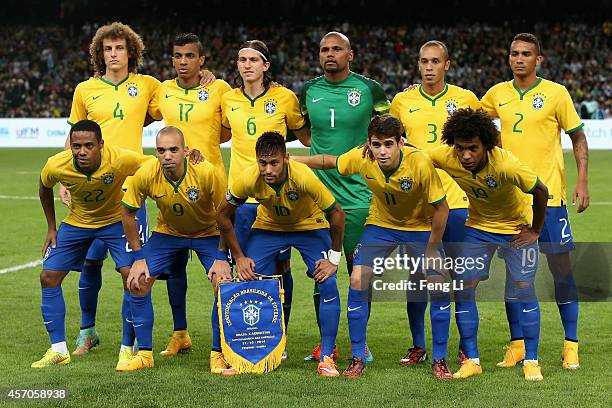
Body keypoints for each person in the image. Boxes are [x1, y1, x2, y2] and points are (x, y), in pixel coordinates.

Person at [293, 114, 451, 379]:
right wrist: (292, 160)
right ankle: (357, 358)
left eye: (388, 144)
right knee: (357, 279)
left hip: (420, 227)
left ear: (401, 142)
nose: (382, 151)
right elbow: (328, 161)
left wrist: (433, 248)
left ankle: (440, 360)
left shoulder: (419, 162)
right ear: (368, 144)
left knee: (438, 282)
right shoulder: (362, 157)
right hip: (381, 225)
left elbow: (442, 209)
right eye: (376, 145)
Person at [481, 33, 589, 370]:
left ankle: (570, 343)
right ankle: (517, 345)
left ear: (538, 60)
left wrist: (582, 179)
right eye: (514, 53)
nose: (519, 59)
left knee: (562, 273)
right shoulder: (498, 94)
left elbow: (578, 137)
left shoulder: (556, 93)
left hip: (551, 198)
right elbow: (464, 111)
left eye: (527, 54)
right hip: (512, 203)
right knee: (515, 278)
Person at [427, 108, 549, 381]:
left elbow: (541, 191)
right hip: (478, 230)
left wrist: (536, 230)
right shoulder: (447, 156)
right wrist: (377, 145)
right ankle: (472, 360)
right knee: (464, 288)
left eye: (473, 148)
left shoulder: (506, 164)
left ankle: (531, 360)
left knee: (524, 289)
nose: (466, 155)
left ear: (486, 145)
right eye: (460, 149)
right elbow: (412, 154)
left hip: (516, 230)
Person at [65, 22, 161, 362]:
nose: (114, 54)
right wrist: (66, 179)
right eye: (108, 49)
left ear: (131, 52)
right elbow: (73, 138)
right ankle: (87, 332)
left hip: (131, 191)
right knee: (89, 264)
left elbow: (179, 99)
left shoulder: (148, 85)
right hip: (91, 192)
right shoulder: (84, 90)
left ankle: (130, 341)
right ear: (99, 53)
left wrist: (205, 77)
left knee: (132, 271)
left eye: (120, 48)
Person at [216, 132, 345, 377]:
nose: (268, 169)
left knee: (327, 282)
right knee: (248, 277)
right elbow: (222, 215)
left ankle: (327, 357)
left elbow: (337, 213)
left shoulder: (303, 175)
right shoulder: (248, 178)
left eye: (274, 162)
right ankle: (251, 355)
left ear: (285, 159)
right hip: (270, 227)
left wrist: (333, 258)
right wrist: (239, 257)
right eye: (262, 163)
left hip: (310, 225)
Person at [299, 31, 390, 362]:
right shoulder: (308, 91)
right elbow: (302, 129)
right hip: (317, 195)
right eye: (324, 49)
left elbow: (388, 125)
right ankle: (327, 344)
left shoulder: (369, 89)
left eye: (337, 49)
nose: (329, 54)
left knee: (358, 272)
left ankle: (359, 342)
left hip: (359, 195)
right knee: (320, 271)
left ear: (350, 54)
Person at [390, 40, 481, 366]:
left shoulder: (465, 99)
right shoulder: (402, 100)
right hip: (416, 208)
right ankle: (419, 345)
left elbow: (481, 144)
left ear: (447, 64)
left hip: (457, 203)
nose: (429, 67)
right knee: (416, 280)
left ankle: (467, 348)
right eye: (424, 61)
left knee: (462, 280)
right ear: (418, 65)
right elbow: (391, 146)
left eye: (435, 61)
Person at [32, 120, 147, 368]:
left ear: (101, 146)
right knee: (48, 276)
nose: (81, 151)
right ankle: (59, 350)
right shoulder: (57, 164)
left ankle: (128, 348)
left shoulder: (118, 159)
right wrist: (52, 227)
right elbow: (43, 187)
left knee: (133, 278)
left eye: (88, 146)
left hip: (115, 221)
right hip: (78, 223)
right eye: (76, 146)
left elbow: (151, 165)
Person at [220, 40, 311, 351]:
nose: (247, 65)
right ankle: (249, 336)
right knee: (246, 269)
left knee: (280, 269)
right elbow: (216, 132)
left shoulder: (285, 98)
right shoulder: (227, 98)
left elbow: (307, 136)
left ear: (266, 65)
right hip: (242, 200)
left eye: (253, 60)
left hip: (275, 200)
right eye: (242, 59)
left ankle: (278, 336)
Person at [120, 126, 233, 372]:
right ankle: (145, 355)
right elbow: (127, 212)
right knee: (137, 280)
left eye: (173, 150)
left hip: (209, 233)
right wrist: (138, 257)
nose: (167, 155)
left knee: (223, 283)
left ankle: (218, 354)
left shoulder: (206, 172)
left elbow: (227, 213)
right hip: (169, 234)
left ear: (185, 151)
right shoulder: (147, 173)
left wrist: (222, 256)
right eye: (161, 150)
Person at [148, 33, 232, 357]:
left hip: (211, 195)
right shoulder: (163, 91)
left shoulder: (219, 89)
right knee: (173, 269)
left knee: (220, 273)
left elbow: (227, 128)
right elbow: (143, 115)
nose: (183, 61)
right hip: (173, 192)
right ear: (172, 59)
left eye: (189, 56)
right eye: (178, 56)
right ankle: (180, 333)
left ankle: (220, 345)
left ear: (202, 60)